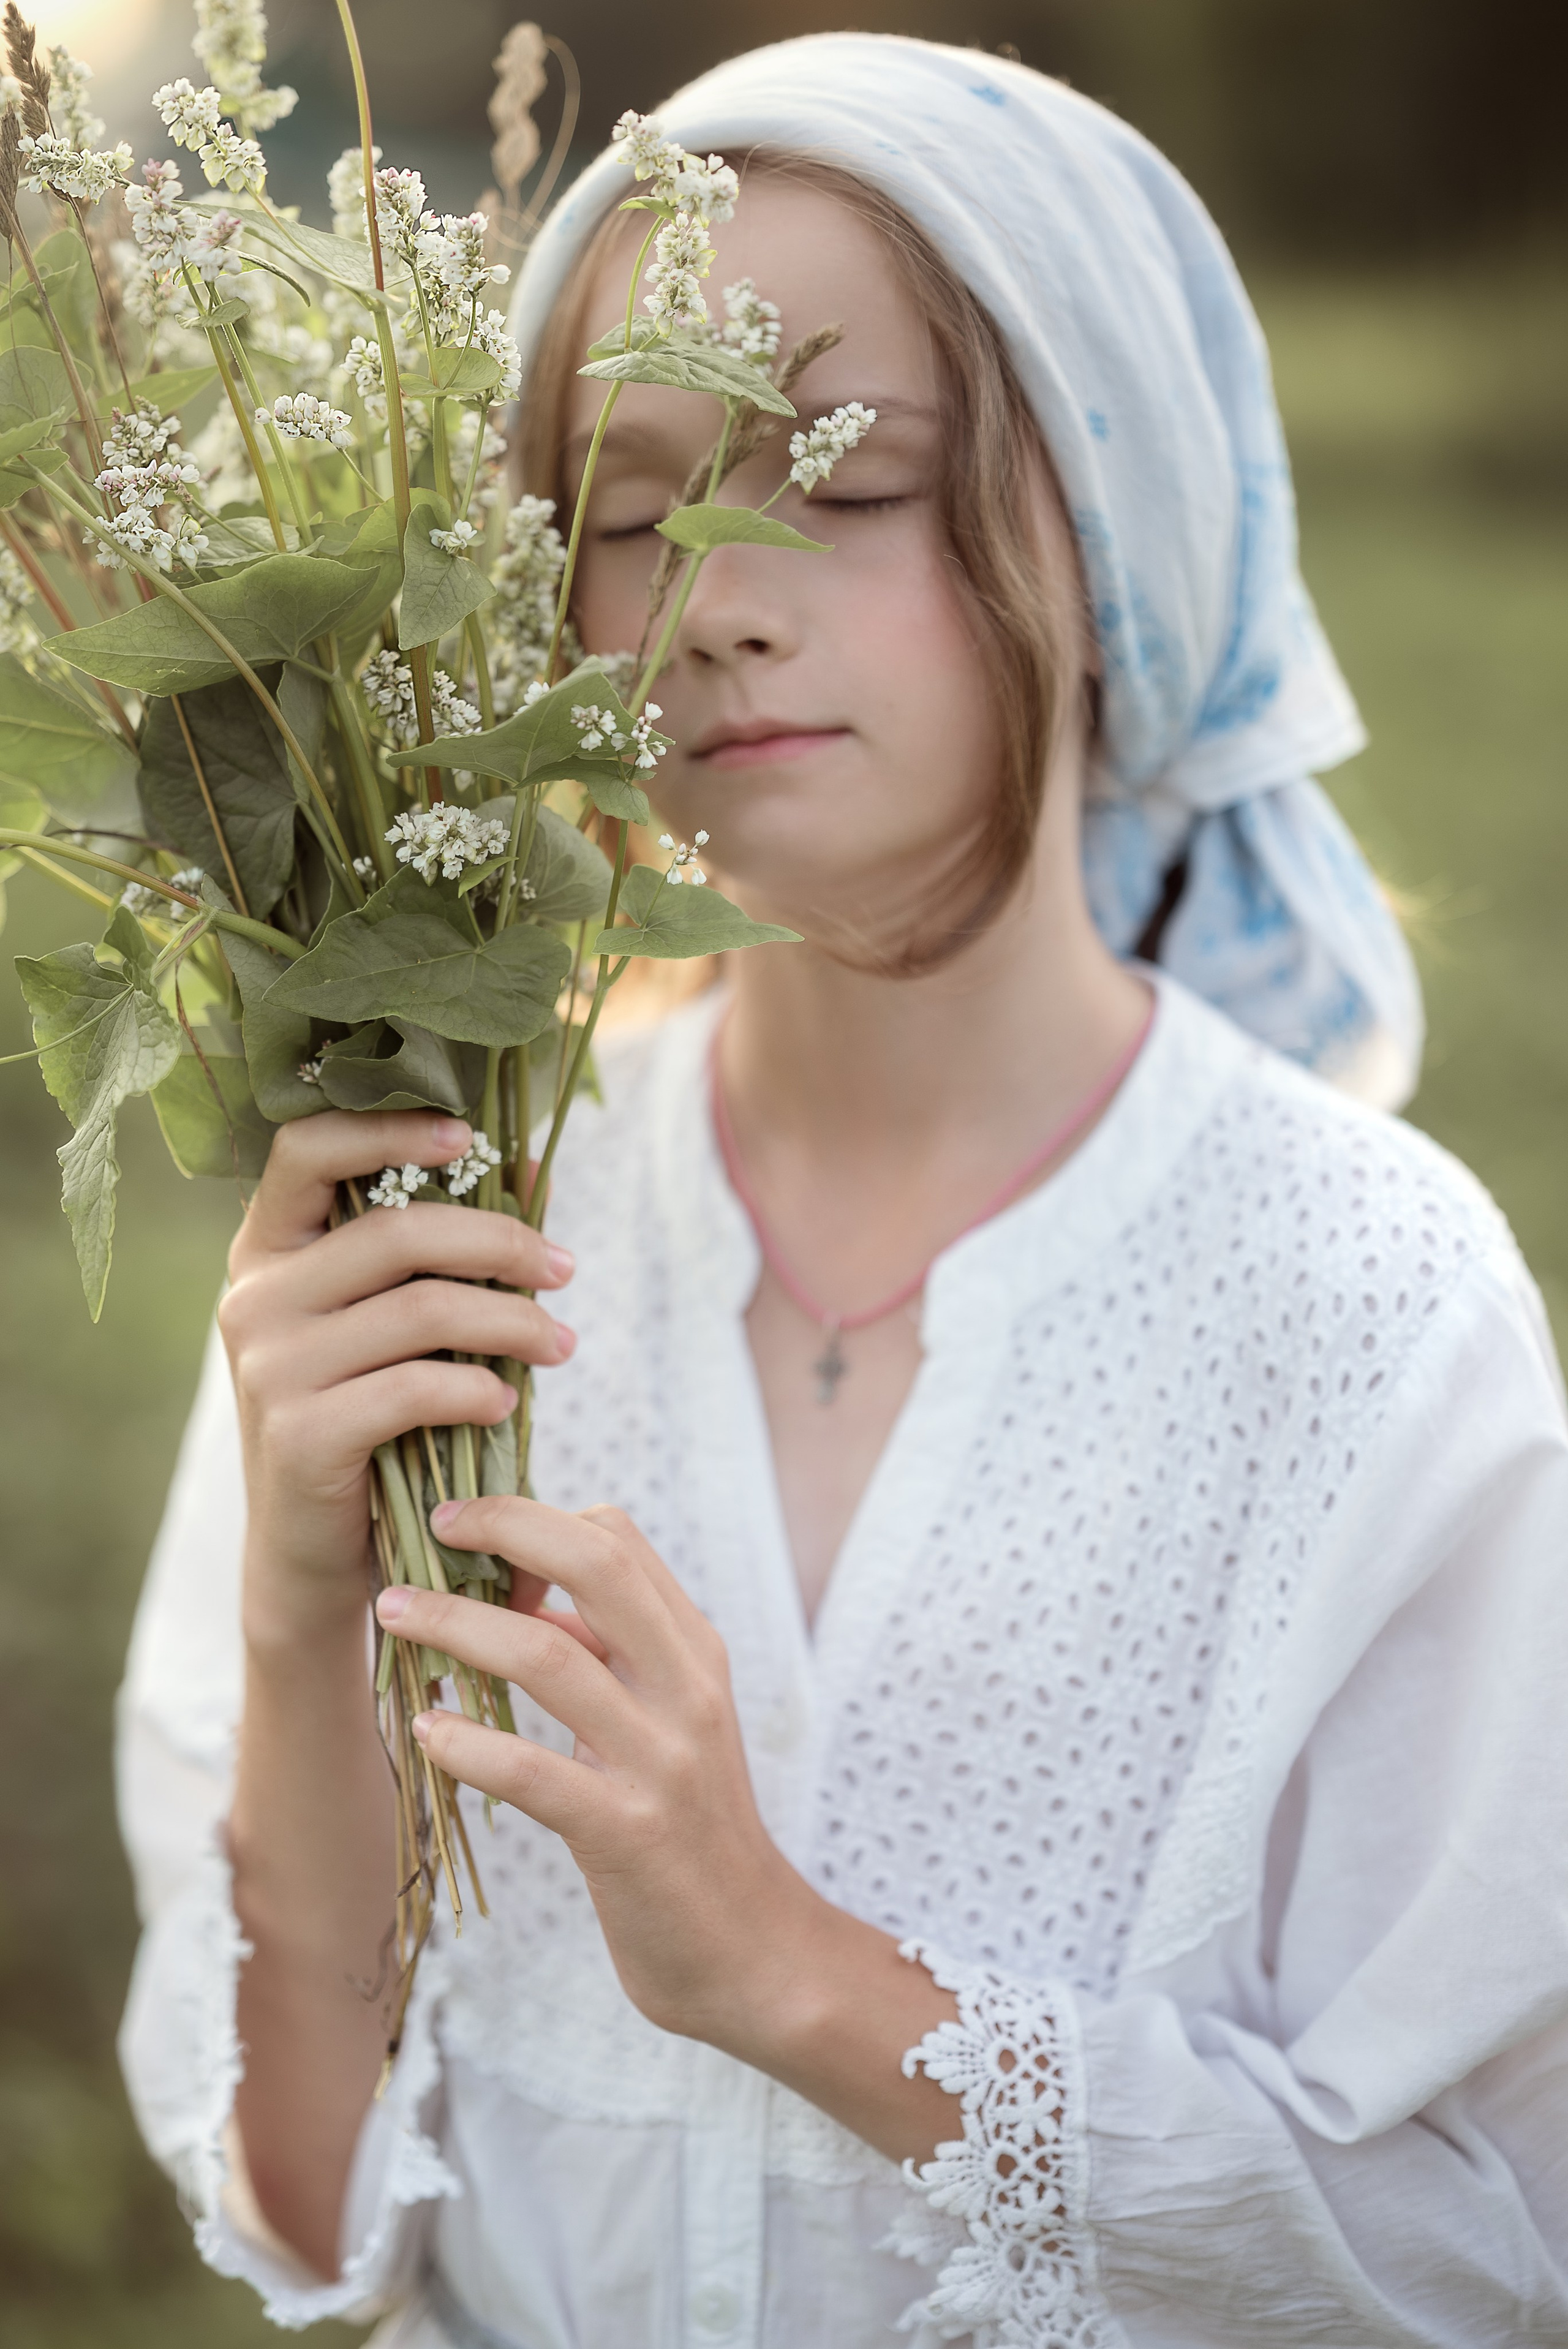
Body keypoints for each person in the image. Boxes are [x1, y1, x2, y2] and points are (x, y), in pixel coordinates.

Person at [116, 34, 1568, 2349]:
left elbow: (1489, 2248)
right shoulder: (450, 1212)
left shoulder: (1372, 1302)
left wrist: (789, 1969)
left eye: (850, 474)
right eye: (624, 504)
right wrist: (308, 1616)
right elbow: (306, 2217)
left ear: (1116, 526)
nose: (712, 592)